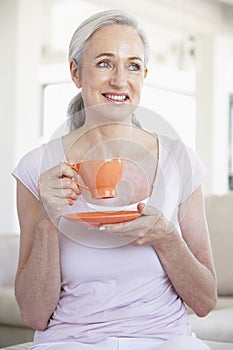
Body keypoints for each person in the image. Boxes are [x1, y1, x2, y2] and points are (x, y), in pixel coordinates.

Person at [12, 9, 217, 350]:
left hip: (165, 340)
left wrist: (166, 237)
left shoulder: (179, 161)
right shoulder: (37, 168)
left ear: (144, 75)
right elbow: (34, 314)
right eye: (105, 63)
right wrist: (49, 221)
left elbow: (206, 301)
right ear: (76, 72)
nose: (120, 80)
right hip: (71, 342)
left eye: (133, 65)